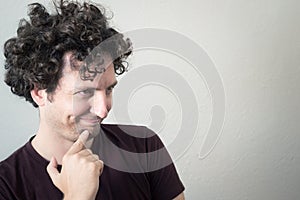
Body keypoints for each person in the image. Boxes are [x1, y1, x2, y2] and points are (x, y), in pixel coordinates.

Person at [0, 0, 185, 199]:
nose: (103, 110)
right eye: (85, 92)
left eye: (108, 89)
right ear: (39, 92)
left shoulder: (143, 146)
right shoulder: (6, 185)